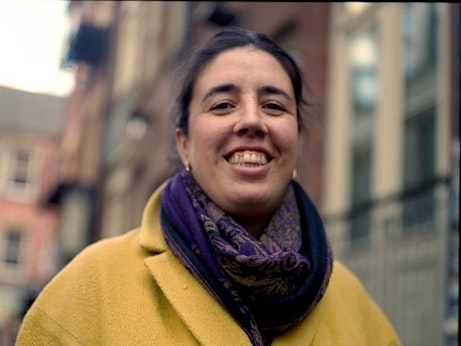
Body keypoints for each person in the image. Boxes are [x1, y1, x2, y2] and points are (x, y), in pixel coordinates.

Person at [16, 28, 401, 345]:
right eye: (222, 105)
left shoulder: (357, 309)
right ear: (184, 144)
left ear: (296, 139)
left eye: (273, 106)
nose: (252, 121)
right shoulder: (90, 287)